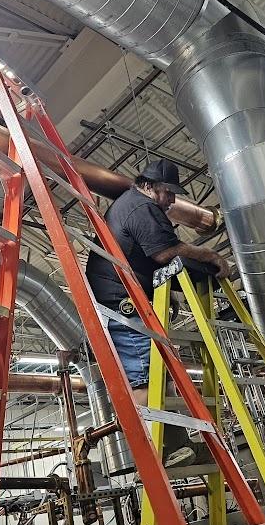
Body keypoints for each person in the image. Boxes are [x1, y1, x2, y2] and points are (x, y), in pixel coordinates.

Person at [85, 159, 230, 407]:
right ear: (151, 186)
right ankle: (153, 444)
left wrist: (166, 291)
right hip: (121, 301)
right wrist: (212, 255)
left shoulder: (132, 204)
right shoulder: (141, 206)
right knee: (144, 377)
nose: (172, 201)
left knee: (160, 373)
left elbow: (144, 256)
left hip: (125, 296)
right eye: (169, 193)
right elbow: (165, 252)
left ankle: (177, 441)